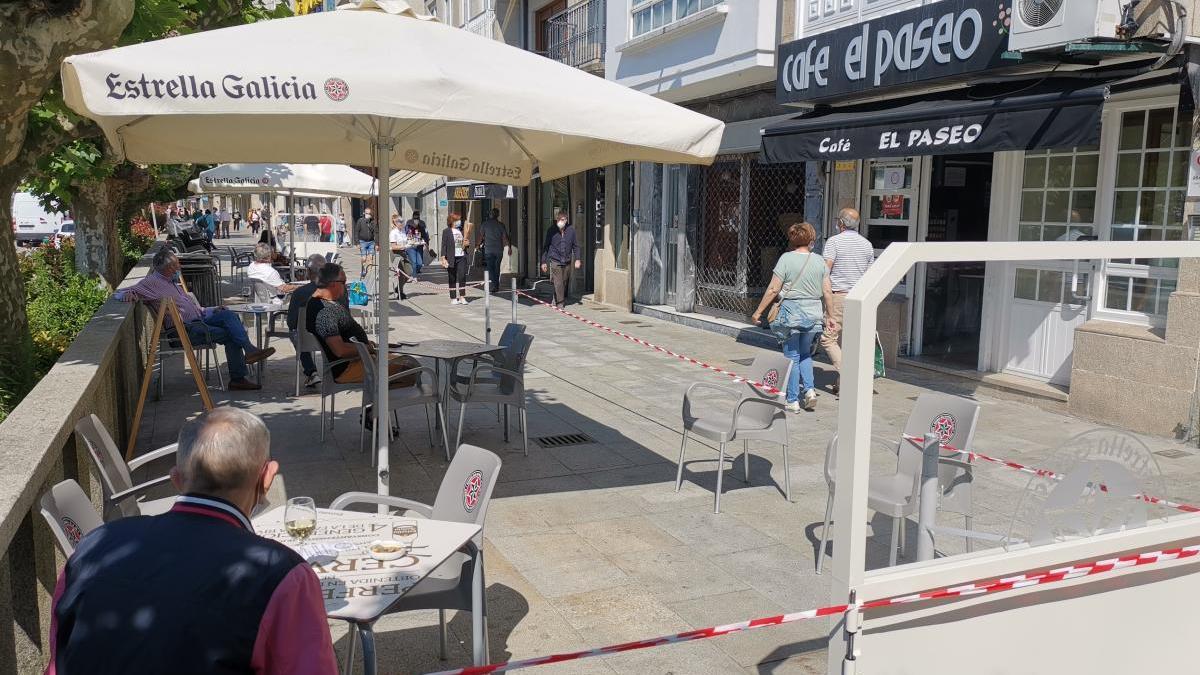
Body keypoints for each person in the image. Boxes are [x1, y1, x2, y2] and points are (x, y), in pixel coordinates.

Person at [46, 407, 339, 675]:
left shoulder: (92, 547)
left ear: (176, 479)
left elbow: (57, 662)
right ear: (266, 478)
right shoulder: (282, 576)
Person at [117, 250, 275, 390]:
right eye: (177, 265)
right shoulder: (152, 282)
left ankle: (248, 351)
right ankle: (239, 377)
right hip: (185, 330)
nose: (179, 268)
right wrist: (129, 295)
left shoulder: (171, 282)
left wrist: (213, 309)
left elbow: (195, 309)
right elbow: (123, 291)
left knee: (228, 315)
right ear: (168, 268)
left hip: (200, 318)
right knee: (230, 335)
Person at [752, 222, 837, 412]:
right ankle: (809, 391)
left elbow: (774, 288)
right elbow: (827, 291)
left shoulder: (786, 259)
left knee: (791, 357)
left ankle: (792, 399)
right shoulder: (819, 261)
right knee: (806, 353)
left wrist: (758, 312)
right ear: (811, 239)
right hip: (813, 313)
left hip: (792, 313)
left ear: (793, 239)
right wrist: (830, 316)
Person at [306, 263, 419, 390]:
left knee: (408, 361)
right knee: (410, 369)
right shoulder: (324, 312)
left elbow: (344, 337)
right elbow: (340, 350)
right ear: (333, 283)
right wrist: (368, 348)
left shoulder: (323, 303)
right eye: (344, 282)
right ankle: (377, 407)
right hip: (348, 367)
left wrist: (372, 346)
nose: (346, 287)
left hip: (359, 358)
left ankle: (377, 404)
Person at [820, 207, 874, 395]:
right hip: (859, 298)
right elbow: (870, 275)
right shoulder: (867, 244)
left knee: (828, 339)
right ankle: (842, 384)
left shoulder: (834, 242)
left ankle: (850, 377)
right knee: (851, 343)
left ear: (841, 223)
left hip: (838, 298)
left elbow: (825, 270)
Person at [288, 254, 328, 388]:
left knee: (295, 334)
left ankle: (311, 372)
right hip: (331, 339)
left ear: (309, 272)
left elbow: (291, 323)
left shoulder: (299, 293)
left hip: (306, 339)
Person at [540, 212, 580, 309]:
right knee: (558, 282)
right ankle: (560, 303)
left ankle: (556, 296)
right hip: (555, 260)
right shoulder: (551, 230)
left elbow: (576, 246)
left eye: (563, 220)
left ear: (566, 221)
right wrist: (543, 261)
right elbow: (546, 246)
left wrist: (577, 259)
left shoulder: (571, 230)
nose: (560, 222)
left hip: (567, 260)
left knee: (564, 281)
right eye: (559, 220)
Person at [440, 212, 470, 305]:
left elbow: (464, 244)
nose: (459, 222)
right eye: (457, 220)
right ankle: (453, 297)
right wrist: (443, 257)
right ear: (452, 221)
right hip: (451, 257)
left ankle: (462, 297)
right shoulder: (446, 231)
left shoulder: (461, 231)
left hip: (461, 256)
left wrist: (467, 244)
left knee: (462, 276)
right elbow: (443, 245)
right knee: (452, 277)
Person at [479, 208, 511, 293]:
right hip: (499, 250)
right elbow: (505, 237)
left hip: (489, 250)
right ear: (498, 215)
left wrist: (477, 245)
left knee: (490, 268)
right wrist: (509, 247)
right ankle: (496, 285)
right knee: (497, 268)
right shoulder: (501, 225)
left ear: (490, 215)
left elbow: (481, 236)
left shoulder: (484, 224)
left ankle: (495, 285)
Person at [389, 215, 411, 301]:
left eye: (403, 221)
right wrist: (404, 246)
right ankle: (400, 292)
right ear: (395, 223)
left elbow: (406, 241)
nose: (402, 223)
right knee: (401, 274)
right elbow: (393, 247)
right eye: (400, 222)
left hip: (403, 252)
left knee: (409, 272)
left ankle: (398, 287)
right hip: (396, 254)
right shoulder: (393, 233)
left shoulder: (402, 231)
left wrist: (410, 243)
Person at [403, 210, 428, 275]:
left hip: (419, 245)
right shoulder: (409, 223)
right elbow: (406, 233)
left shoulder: (422, 223)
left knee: (420, 263)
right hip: (411, 245)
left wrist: (427, 243)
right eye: (415, 218)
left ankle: (415, 272)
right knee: (413, 262)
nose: (416, 219)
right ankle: (414, 276)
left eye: (417, 218)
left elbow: (425, 234)